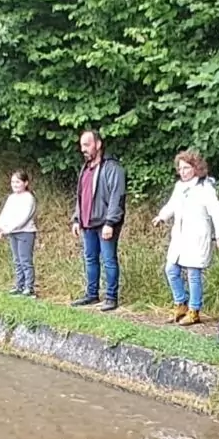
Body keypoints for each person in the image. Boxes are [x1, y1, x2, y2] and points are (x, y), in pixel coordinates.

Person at [154, 150, 219, 325]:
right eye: (180, 168)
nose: (183, 172)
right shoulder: (180, 187)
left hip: (197, 237)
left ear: (196, 168)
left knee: (193, 274)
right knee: (171, 269)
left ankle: (194, 310)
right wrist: (162, 216)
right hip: (180, 237)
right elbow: (171, 205)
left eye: (186, 168)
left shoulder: (205, 188)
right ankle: (180, 303)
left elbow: (217, 212)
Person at [70, 130, 126, 311]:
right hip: (87, 223)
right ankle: (91, 294)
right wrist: (77, 219)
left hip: (105, 223)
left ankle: (111, 297)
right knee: (90, 259)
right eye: (81, 146)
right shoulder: (85, 168)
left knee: (109, 260)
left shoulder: (112, 167)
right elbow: (81, 196)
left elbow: (117, 196)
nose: (83, 149)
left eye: (87, 145)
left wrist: (110, 222)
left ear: (98, 144)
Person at [0, 171, 38, 297]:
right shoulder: (11, 198)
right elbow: (5, 214)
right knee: (17, 260)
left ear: (25, 183)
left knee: (25, 260)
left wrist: (8, 229)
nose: (15, 184)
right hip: (13, 233)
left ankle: (29, 287)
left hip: (25, 232)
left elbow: (24, 218)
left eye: (18, 182)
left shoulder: (29, 198)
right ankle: (19, 285)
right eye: (13, 182)